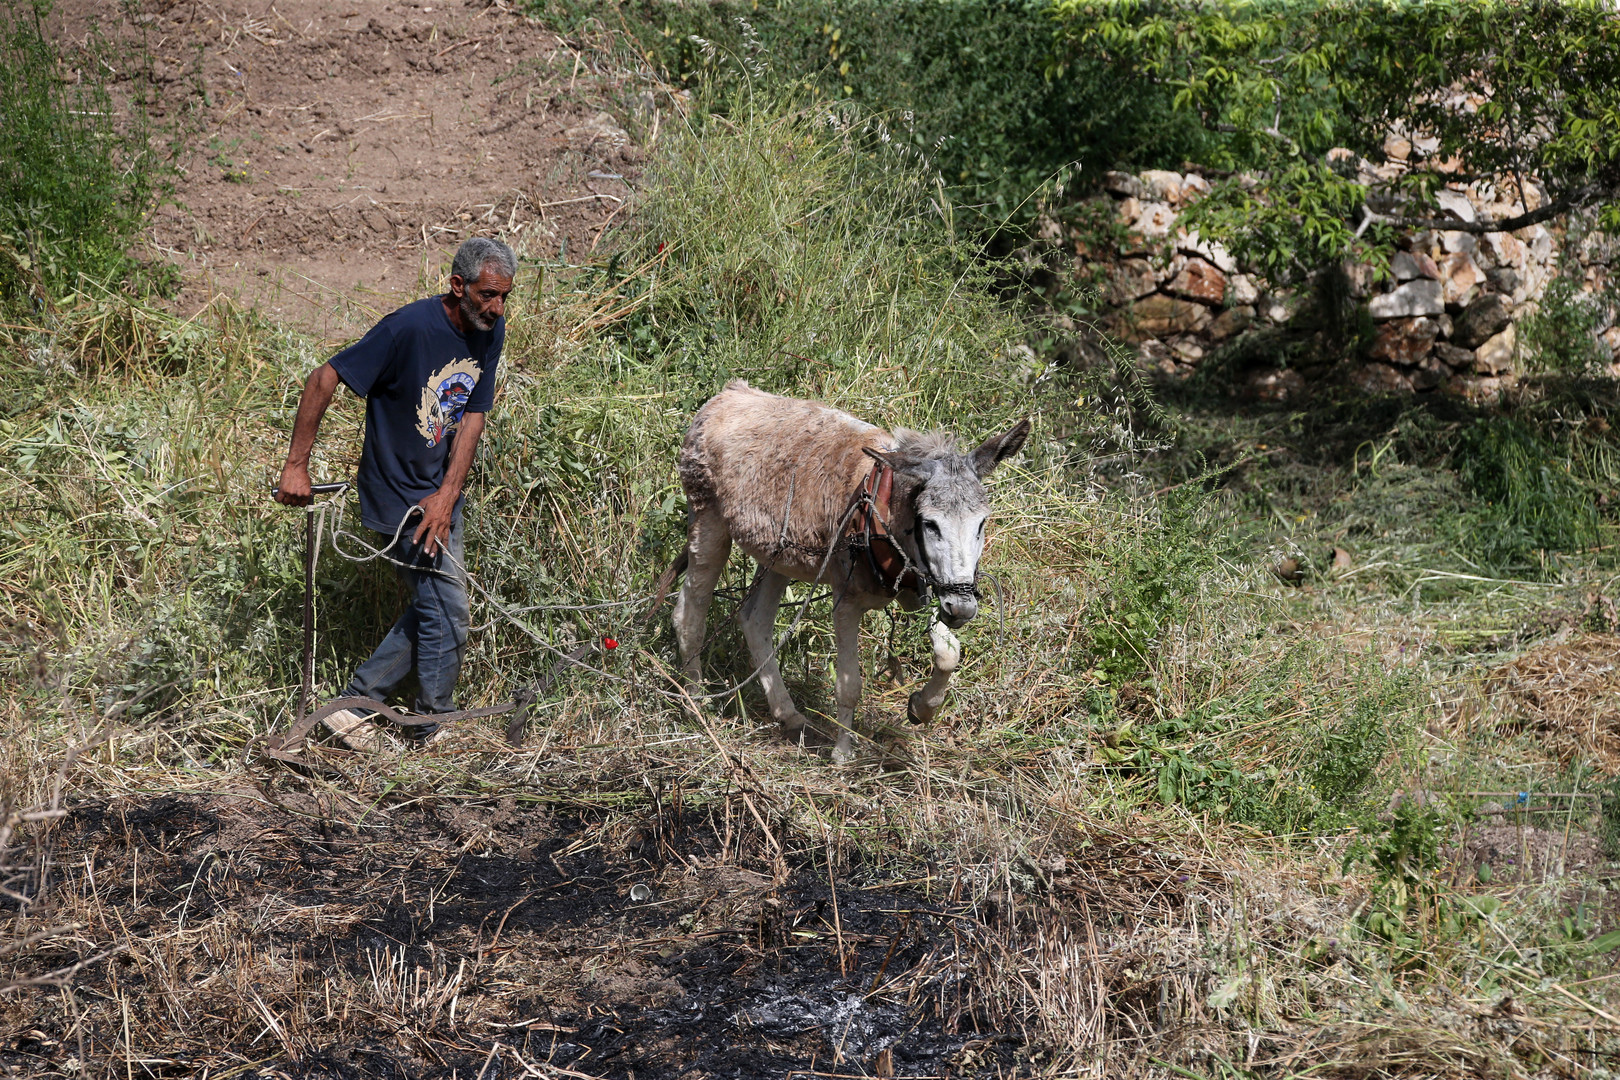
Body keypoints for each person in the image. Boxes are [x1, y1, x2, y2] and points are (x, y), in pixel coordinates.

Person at [274, 237, 515, 749]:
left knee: (437, 604)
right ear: (458, 286)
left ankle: (350, 708)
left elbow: (473, 417)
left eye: (503, 298)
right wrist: (296, 466)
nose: (496, 308)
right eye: (488, 295)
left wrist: (448, 494)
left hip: (438, 495)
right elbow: (325, 376)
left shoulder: (488, 332)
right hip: (398, 494)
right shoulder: (408, 327)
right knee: (447, 607)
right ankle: (433, 724)